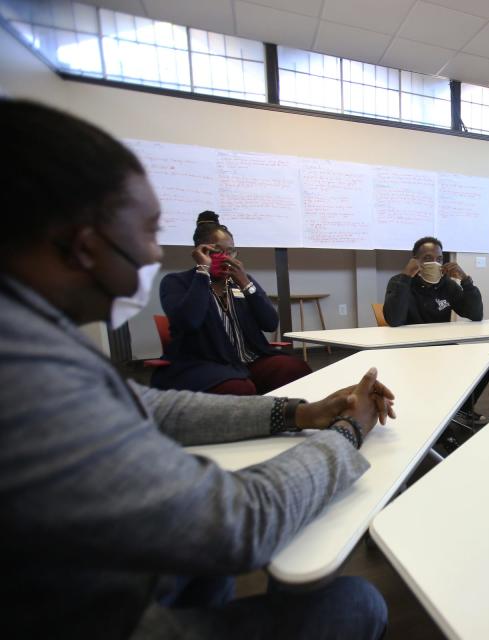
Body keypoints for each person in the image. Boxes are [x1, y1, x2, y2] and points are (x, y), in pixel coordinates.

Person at [0, 100, 392, 639]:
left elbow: (151, 404)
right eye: (147, 230)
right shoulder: (26, 371)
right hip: (96, 612)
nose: (148, 250)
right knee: (356, 603)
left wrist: (300, 410)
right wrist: (351, 430)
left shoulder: (35, 331)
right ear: (83, 246)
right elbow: (239, 520)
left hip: (100, 572)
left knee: (281, 371)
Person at [151, 212, 312, 395]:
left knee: (295, 368)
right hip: (204, 364)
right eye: (219, 251)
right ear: (201, 251)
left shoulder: (240, 281)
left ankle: (291, 420)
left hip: (249, 360)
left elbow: (270, 323)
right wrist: (203, 272)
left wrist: (247, 284)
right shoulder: (176, 282)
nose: (227, 257)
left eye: (231, 251)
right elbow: (190, 320)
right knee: (238, 387)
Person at [383, 236, 489, 427]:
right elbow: (394, 319)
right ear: (414, 260)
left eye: (439, 259)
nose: (434, 263)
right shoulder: (399, 282)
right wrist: (406, 277)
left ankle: (461, 408)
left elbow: (476, 314)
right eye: (427, 258)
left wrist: (465, 280)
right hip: (409, 351)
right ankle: (433, 413)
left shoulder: (447, 285)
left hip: (443, 347)